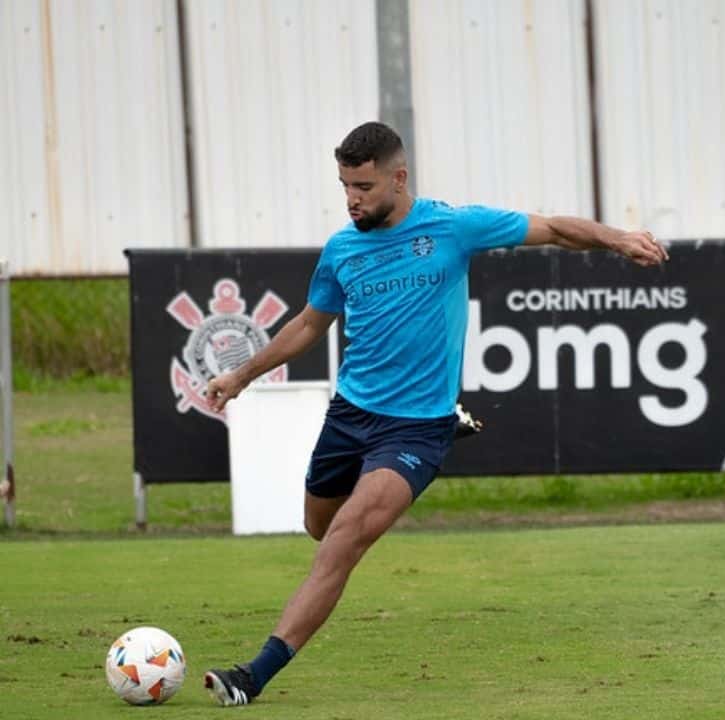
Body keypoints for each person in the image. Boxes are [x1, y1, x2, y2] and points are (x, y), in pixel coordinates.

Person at [201, 121, 668, 705]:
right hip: (349, 415)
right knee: (319, 529)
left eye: (364, 187)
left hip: (415, 428)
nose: (352, 199)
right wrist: (240, 377)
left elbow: (551, 229)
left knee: (344, 540)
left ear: (399, 178)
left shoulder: (451, 227)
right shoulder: (342, 249)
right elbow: (306, 325)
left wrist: (618, 237)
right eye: (345, 185)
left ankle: (255, 674)